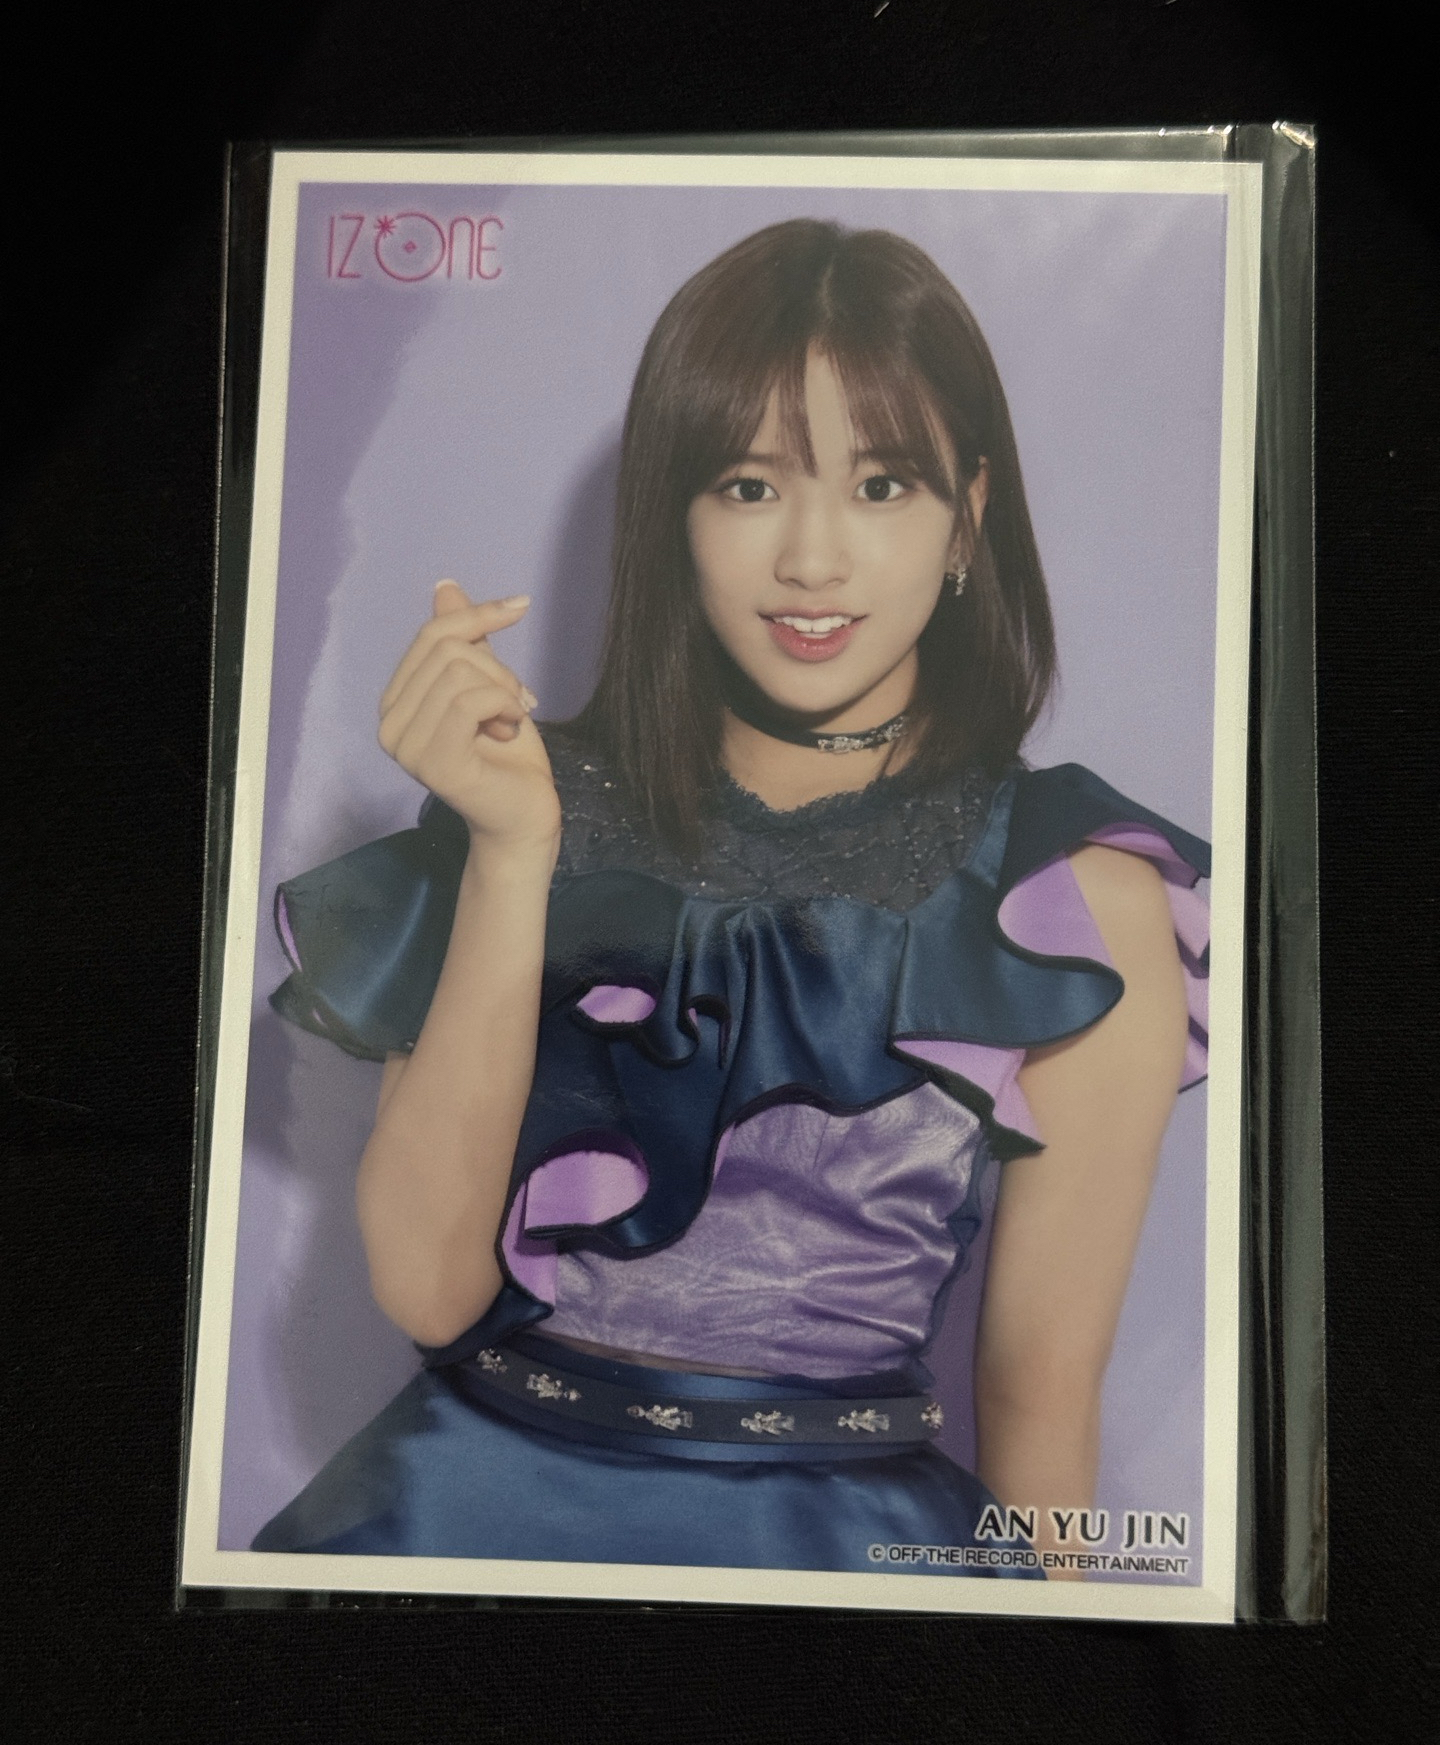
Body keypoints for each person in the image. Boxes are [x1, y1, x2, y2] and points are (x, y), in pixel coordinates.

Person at [254, 219, 1209, 1578]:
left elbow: (1042, 1404)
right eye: (751, 486)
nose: (813, 560)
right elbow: (427, 1288)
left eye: (881, 485)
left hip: (841, 1559)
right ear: (677, 514)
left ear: (968, 517)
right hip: (463, 1523)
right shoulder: (522, 806)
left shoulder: (1070, 898)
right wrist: (515, 853)